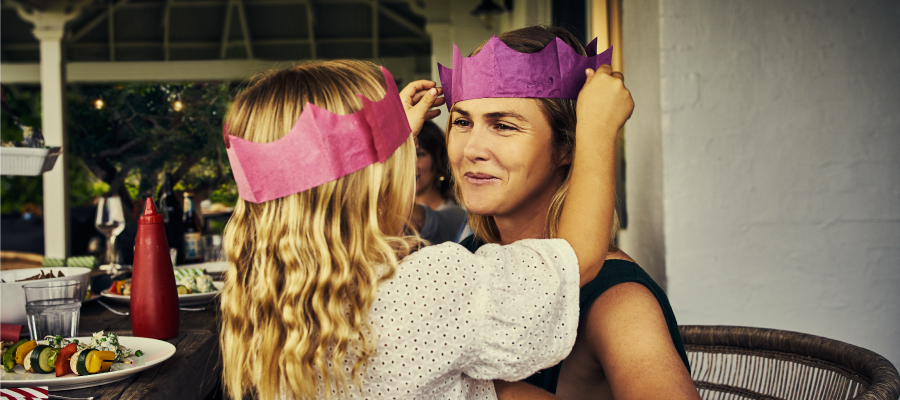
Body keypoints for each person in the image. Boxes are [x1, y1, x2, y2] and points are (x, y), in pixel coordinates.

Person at [218, 59, 628, 399]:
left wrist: (383, 138)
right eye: (402, 156)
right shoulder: (430, 287)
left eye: (502, 125)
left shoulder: (269, 300)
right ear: (377, 184)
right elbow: (576, 257)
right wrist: (596, 131)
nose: (471, 149)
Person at [442, 26, 700, 399]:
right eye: (462, 122)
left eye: (503, 126)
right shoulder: (470, 257)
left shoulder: (617, 300)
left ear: (568, 147)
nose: (472, 149)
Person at [413, 120, 467, 244]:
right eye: (404, 155)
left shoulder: (456, 217)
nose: (409, 163)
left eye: (419, 154)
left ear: (439, 162)